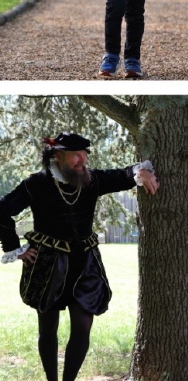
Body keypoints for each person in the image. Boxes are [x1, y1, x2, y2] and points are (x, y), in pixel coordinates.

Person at [0, 133, 159, 381]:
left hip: (85, 263)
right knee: (48, 328)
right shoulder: (36, 184)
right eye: (76, 155)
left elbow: (122, 175)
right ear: (58, 156)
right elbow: (2, 209)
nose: (82, 160)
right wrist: (15, 248)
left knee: (83, 326)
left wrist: (142, 174)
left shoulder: (92, 179)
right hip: (48, 265)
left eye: (84, 154)